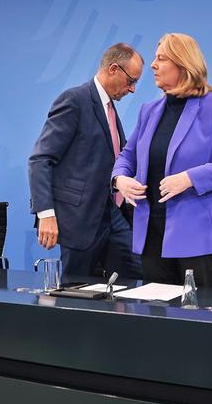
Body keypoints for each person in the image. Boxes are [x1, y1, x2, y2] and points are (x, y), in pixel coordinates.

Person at [112, 33, 212, 288]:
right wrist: (120, 179)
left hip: (200, 237)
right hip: (152, 236)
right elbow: (127, 155)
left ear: (183, 64)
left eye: (161, 58)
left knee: (200, 322)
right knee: (157, 321)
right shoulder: (149, 111)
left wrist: (190, 178)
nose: (153, 66)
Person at [28, 43, 143, 278]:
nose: (132, 89)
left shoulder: (109, 108)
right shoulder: (74, 100)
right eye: (131, 81)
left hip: (113, 215)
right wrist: (45, 214)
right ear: (113, 69)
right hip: (78, 221)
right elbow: (40, 159)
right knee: (74, 296)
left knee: (129, 284)